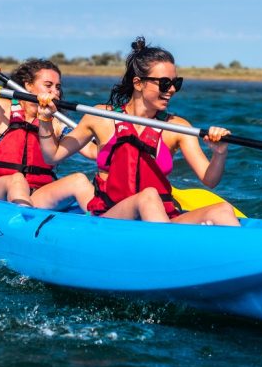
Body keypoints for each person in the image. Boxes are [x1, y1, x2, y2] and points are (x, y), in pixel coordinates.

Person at [36, 37, 240, 226]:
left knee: (222, 211)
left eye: (176, 83)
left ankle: (247, 259)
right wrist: (45, 119)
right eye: (165, 83)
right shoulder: (100, 117)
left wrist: (219, 152)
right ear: (138, 83)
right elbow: (52, 156)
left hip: (161, 219)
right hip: (111, 219)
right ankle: (169, 254)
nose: (171, 90)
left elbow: (210, 180)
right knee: (148, 196)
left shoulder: (177, 127)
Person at [0, 59, 94, 210]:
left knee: (79, 180)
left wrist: (104, 130)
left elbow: (92, 151)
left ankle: (104, 224)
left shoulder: (57, 122)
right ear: (28, 85)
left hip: (37, 194)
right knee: (17, 180)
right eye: (48, 85)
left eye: (58, 87)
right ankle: (23, 222)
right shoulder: (1, 108)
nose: (55, 92)